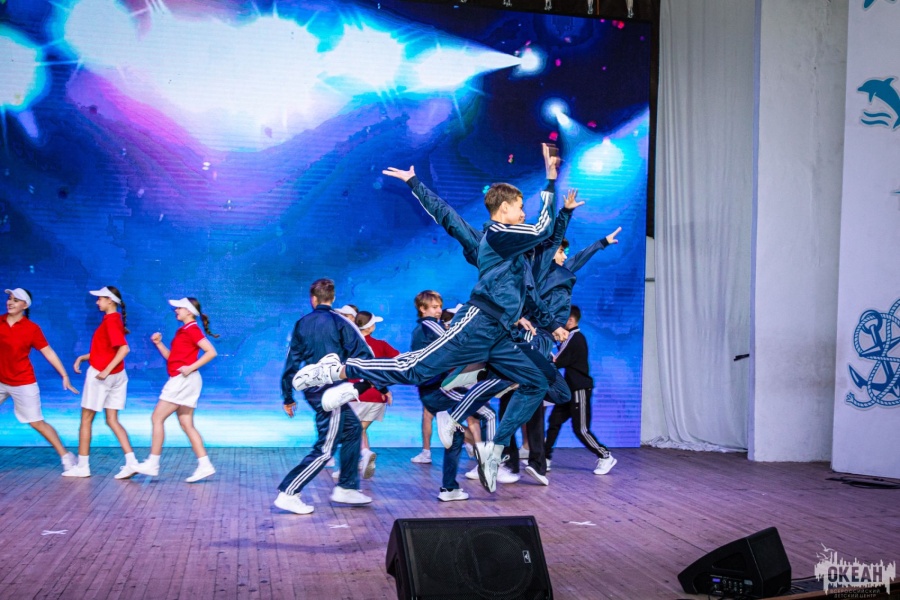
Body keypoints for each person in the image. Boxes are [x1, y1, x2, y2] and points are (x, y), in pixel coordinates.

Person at [292, 145, 567, 493]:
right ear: (504, 209)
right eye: (520, 207)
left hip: (500, 333)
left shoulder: (508, 251)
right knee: (414, 369)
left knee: (537, 382)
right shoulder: (500, 235)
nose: (524, 212)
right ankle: (339, 369)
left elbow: (453, 221)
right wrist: (550, 180)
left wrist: (546, 324)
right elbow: (540, 228)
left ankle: (495, 451)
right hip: (478, 323)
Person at [274, 278, 376, 515]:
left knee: (352, 429)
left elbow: (291, 362)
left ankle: (347, 487)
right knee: (325, 448)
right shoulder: (341, 322)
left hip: (312, 390)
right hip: (332, 392)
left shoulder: (302, 323)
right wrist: (366, 383)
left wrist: (288, 396)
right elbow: (365, 355)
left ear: (313, 299)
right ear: (333, 298)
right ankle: (289, 492)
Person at [134, 297, 219, 483]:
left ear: (188, 311)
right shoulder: (184, 330)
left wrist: (190, 367)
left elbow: (211, 352)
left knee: (157, 418)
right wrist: (159, 344)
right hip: (185, 379)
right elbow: (172, 358)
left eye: (179, 308)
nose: (176, 311)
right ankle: (205, 465)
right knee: (186, 423)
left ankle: (153, 463)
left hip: (183, 380)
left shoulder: (192, 329)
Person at [0, 288, 78, 471]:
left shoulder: (32, 329)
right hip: (1, 380)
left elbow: (48, 352)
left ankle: (66, 456)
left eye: (16, 300)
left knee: (36, 422)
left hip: (23, 382)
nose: (10, 302)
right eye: (10, 299)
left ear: (25, 305)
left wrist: (65, 375)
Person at [64, 286, 138, 479]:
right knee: (112, 420)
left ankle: (82, 466)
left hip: (102, 376)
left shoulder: (111, 321)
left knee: (86, 420)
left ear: (110, 301)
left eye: (100, 299)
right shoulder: (114, 320)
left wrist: (105, 370)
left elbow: (124, 349)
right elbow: (106, 350)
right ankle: (131, 462)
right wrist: (83, 357)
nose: (97, 302)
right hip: (118, 376)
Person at [547, 305, 616, 475]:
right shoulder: (571, 337)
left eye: (563, 319)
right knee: (554, 421)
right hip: (569, 389)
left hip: (579, 389)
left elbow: (557, 361)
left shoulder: (574, 338)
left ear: (571, 320)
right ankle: (544, 458)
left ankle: (605, 455)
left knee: (581, 429)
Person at [349, 310, 399, 478]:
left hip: (356, 395)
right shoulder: (381, 345)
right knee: (360, 429)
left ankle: (356, 461)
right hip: (378, 396)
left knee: (353, 431)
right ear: (370, 328)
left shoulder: (349, 346)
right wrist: (386, 382)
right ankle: (364, 456)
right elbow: (400, 361)